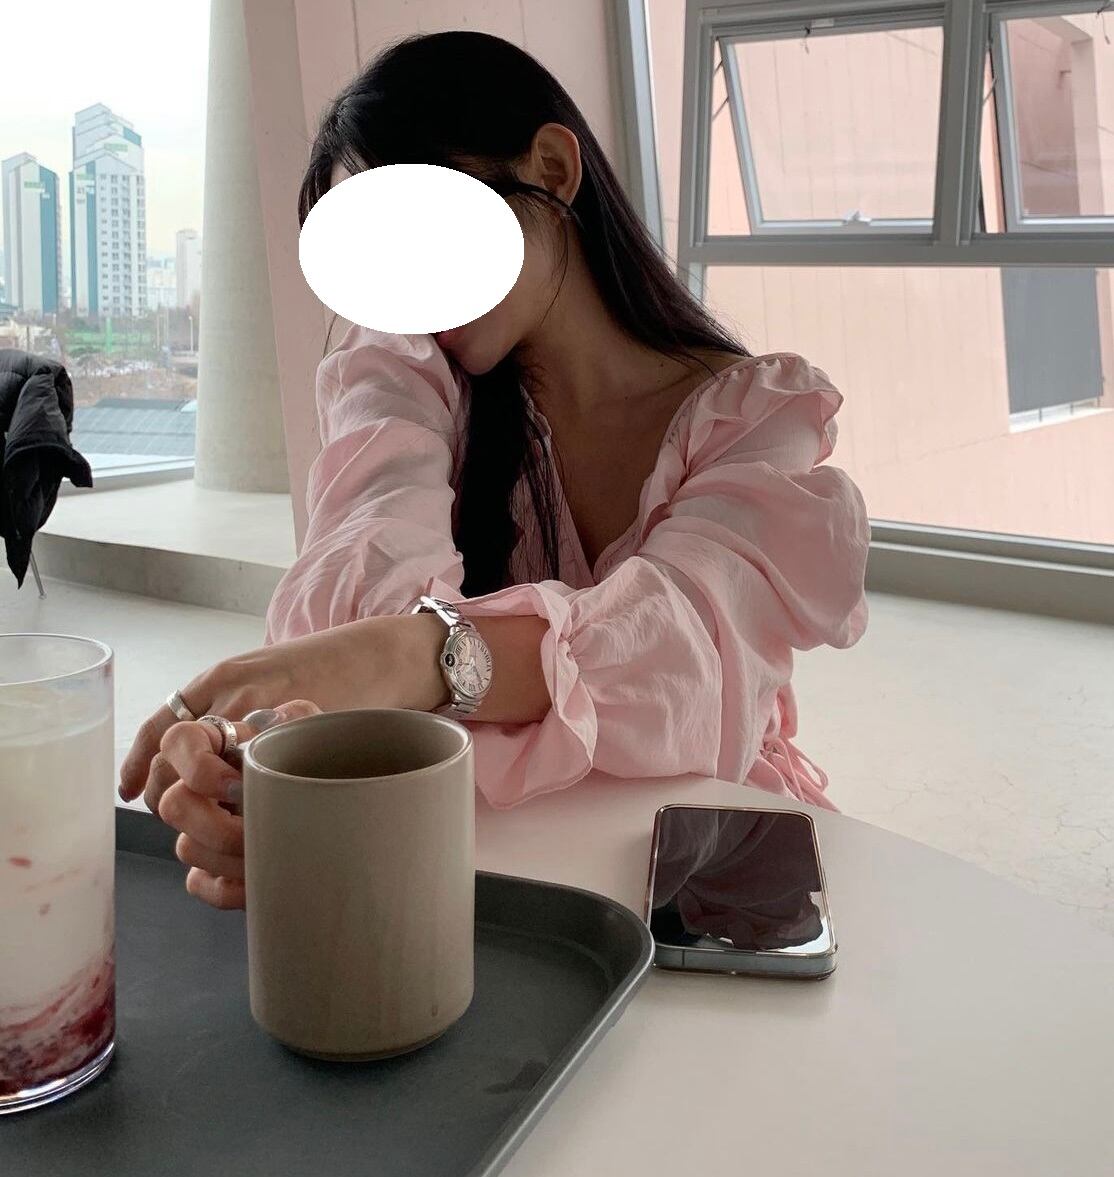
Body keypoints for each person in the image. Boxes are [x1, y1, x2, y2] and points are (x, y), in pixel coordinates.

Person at [119, 31, 870, 911]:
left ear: (552, 168)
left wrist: (415, 653)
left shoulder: (754, 421)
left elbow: (682, 667)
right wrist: (281, 758)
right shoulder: (403, 370)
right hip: (480, 851)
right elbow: (356, 593)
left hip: (694, 849)